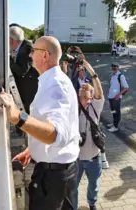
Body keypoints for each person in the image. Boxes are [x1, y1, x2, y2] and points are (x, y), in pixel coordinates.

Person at [0, 36, 80, 210]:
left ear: (44, 56)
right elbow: (50, 124)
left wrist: (18, 117)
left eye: (33, 51)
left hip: (52, 177)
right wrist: (33, 148)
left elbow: (55, 134)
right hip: (58, 173)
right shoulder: (52, 81)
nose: (30, 56)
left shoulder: (56, 85)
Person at [73, 60, 104, 210]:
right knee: (73, 187)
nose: (82, 100)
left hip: (93, 158)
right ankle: (73, 207)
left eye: (85, 97)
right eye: (80, 96)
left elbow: (99, 91)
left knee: (94, 185)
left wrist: (92, 72)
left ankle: (92, 204)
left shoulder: (95, 108)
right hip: (76, 159)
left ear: (91, 98)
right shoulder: (74, 109)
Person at [9, 25, 39, 136]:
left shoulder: (27, 47)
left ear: (11, 40)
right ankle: (22, 129)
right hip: (25, 88)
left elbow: (22, 71)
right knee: (24, 112)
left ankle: (25, 132)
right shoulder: (22, 46)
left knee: (26, 112)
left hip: (28, 90)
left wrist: (9, 61)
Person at [107, 62, 129, 132]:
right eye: (113, 66)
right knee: (113, 111)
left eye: (116, 66)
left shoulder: (120, 76)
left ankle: (115, 126)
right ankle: (114, 123)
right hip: (110, 97)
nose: (114, 67)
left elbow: (126, 87)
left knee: (117, 112)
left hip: (116, 98)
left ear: (118, 67)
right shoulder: (112, 75)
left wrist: (119, 95)